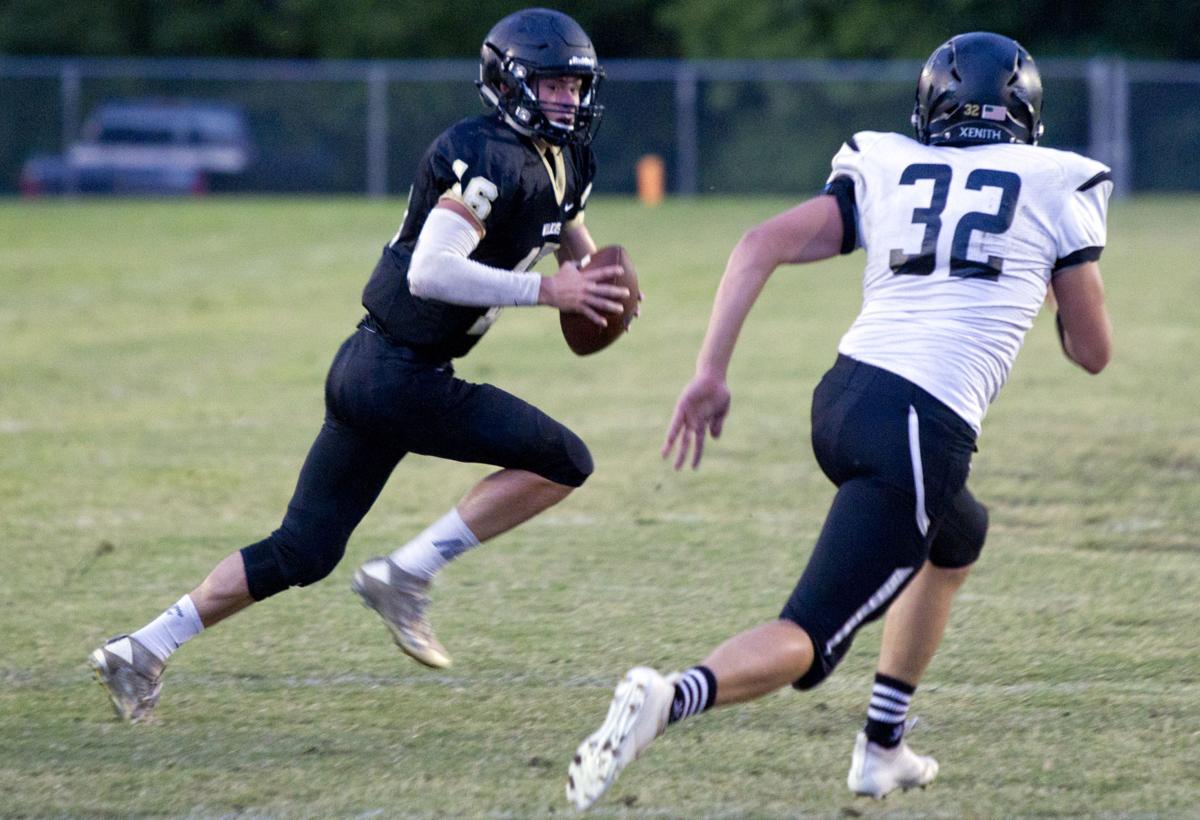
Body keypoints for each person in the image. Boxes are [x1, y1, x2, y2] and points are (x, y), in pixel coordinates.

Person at [566, 32, 1113, 810]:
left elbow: (758, 244)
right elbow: (1092, 352)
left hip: (845, 401)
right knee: (809, 638)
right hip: (921, 427)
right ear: (1025, 113)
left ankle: (882, 747)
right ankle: (670, 698)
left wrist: (710, 373)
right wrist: (1053, 277)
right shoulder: (1058, 181)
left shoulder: (888, 162)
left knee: (958, 536)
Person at [89, 8, 631, 722]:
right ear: (507, 83)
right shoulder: (486, 153)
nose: (566, 99)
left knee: (303, 550)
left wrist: (601, 283)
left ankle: (142, 649)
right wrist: (549, 292)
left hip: (371, 370)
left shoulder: (566, 158)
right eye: (551, 84)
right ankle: (407, 574)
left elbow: (565, 229)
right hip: (399, 374)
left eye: (575, 85)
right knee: (563, 460)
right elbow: (430, 271)